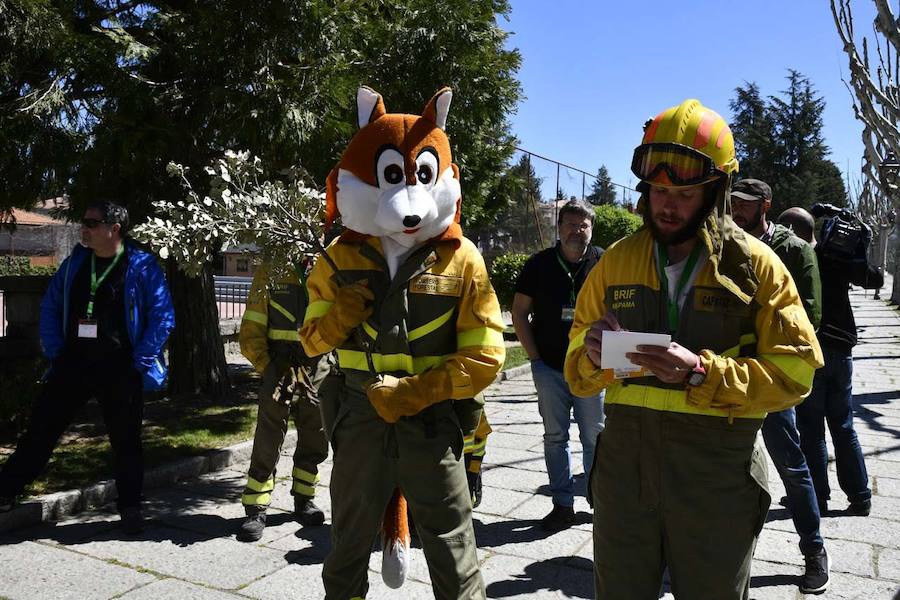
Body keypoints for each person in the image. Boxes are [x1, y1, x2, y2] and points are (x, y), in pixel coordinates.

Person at [564, 99, 823, 599]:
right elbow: (575, 371)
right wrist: (591, 357)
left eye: (684, 193)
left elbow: (796, 376)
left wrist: (703, 373)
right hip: (624, 474)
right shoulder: (614, 263)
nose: (667, 204)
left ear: (717, 190)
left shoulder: (758, 268)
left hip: (716, 477)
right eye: (659, 190)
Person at [300, 86, 505, 598]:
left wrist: (416, 392)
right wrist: (338, 319)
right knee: (346, 545)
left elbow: (487, 355)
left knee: (454, 550)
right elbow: (309, 341)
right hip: (358, 417)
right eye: (393, 175)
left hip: (432, 423)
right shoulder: (338, 259)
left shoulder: (462, 259)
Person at [0, 202, 175, 533]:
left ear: (115, 228)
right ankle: (5, 492)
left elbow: (162, 318)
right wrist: (56, 351)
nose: (84, 228)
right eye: (84, 222)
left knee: (126, 442)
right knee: (41, 431)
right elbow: (51, 305)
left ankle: (130, 508)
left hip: (121, 368)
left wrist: (138, 363)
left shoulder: (141, 265)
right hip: (73, 365)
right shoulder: (75, 263)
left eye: (92, 223)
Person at [731, 179, 829, 593]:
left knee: (791, 465)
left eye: (746, 204)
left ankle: (814, 550)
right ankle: (722, 554)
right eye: (732, 201)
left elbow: (810, 317)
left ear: (765, 206)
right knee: (725, 469)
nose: (736, 209)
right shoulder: (723, 244)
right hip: (726, 376)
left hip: (769, 380)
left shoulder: (795, 250)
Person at [779, 206, 882, 518]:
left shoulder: (795, 260)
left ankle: (817, 496)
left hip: (813, 351)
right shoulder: (835, 255)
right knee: (843, 424)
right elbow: (871, 277)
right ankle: (860, 496)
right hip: (842, 348)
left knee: (810, 428)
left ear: (793, 233)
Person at [511, 199, 605, 530]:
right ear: (559, 227)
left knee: (595, 438)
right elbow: (519, 312)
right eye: (570, 224)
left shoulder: (604, 263)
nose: (576, 231)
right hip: (550, 367)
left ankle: (599, 504)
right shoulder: (539, 264)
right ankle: (562, 505)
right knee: (555, 437)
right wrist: (534, 359)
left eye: (583, 225)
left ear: (591, 229)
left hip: (592, 370)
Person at [235, 259, 332, 542]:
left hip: (318, 367)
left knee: (317, 435)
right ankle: (256, 508)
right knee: (268, 435)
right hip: (278, 365)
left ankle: (304, 499)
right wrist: (267, 366)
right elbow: (252, 324)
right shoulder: (271, 268)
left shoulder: (328, 265)